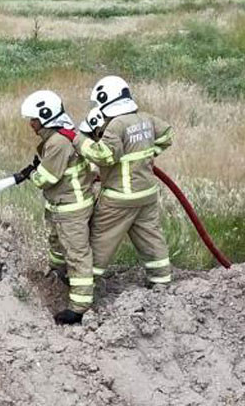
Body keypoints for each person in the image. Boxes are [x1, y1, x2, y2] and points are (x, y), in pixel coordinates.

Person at [70, 76, 173, 291]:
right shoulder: (144, 118)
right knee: (151, 238)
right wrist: (148, 156)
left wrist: (79, 140)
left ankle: (84, 286)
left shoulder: (116, 125)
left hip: (119, 199)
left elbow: (104, 156)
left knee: (100, 241)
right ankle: (162, 283)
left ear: (105, 99)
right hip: (147, 194)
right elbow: (166, 135)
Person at [12, 90, 95, 326]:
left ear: (46, 117)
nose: (30, 124)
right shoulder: (56, 137)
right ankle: (57, 275)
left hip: (71, 207)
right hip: (61, 205)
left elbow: (46, 179)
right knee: (57, 244)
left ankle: (78, 308)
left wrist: (34, 174)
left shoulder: (58, 142)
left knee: (77, 254)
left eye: (34, 119)